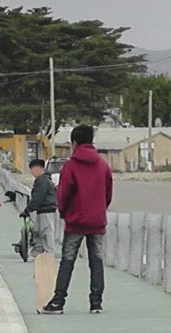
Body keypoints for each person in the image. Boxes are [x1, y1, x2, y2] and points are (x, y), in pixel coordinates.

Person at [41, 125, 112, 315]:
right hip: (97, 221)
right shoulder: (103, 165)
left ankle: (58, 301)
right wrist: (99, 211)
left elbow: (63, 194)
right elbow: (108, 194)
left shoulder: (71, 166)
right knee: (96, 261)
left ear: (74, 143)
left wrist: (65, 213)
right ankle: (96, 303)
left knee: (67, 260)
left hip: (75, 221)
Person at [20, 159, 58, 256]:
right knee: (41, 231)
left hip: (46, 209)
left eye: (32, 170)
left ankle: (49, 252)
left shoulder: (42, 180)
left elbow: (38, 197)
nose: (32, 173)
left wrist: (28, 210)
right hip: (45, 209)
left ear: (38, 168)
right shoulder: (46, 179)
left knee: (46, 231)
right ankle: (40, 251)